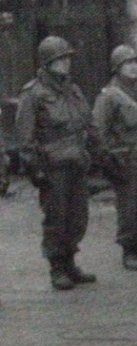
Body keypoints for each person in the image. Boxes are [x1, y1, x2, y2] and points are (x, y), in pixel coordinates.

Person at [15, 36, 102, 290]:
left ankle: (70, 262)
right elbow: (24, 136)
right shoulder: (33, 93)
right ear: (47, 63)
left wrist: (97, 152)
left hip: (77, 162)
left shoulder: (72, 89)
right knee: (57, 218)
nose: (65, 63)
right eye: (59, 59)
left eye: (67, 58)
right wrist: (35, 169)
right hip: (53, 167)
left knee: (78, 217)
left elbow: (88, 121)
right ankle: (57, 267)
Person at [93, 44, 137, 271]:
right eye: (127, 63)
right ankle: (128, 251)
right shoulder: (109, 96)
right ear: (117, 67)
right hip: (125, 161)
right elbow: (98, 132)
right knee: (129, 207)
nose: (133, 67)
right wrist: (109, 161)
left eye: (135, 62)